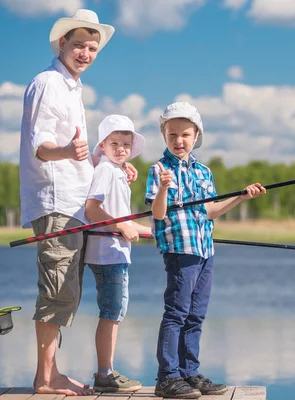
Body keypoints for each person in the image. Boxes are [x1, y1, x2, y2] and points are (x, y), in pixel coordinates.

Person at [18, 9, 136, 396]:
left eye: (92, 48)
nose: (85, 53)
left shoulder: (71, 87)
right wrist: (67, 150)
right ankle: (45, 379)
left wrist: (111, 163)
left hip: (72, 206)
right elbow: (41, 146)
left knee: (66, 292)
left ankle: (52, 374)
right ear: (62, 43)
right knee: (56, 292)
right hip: (56, 205)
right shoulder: (48, 83)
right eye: (79, 45)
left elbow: (80, 155)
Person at [145, 102, 267, 398]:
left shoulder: (203, 171)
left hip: (204, 250)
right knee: (177, 312)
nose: (178, 140)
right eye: (172, 134)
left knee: (196, 314)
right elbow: (158, 214)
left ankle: (189, 372)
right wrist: (163, 188)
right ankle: (168, 376)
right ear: (164, 135)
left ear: (196, 135)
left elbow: (210, 212)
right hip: (180, 250)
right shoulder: (159, 169)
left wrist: (240, 197)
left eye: (185, 134)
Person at [83, 114, 152, 393]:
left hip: (116, 253)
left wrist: (157, 232)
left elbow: (125, 220)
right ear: (103, 144)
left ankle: (106, 371)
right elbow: (92, 209)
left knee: (115, 311)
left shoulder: (117, 171)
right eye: (115, 143)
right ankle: (104, 373)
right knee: (112, 312)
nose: (121, 148)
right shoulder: (106, 171)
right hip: (107, 254)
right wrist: (122, 225)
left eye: (126, 144)